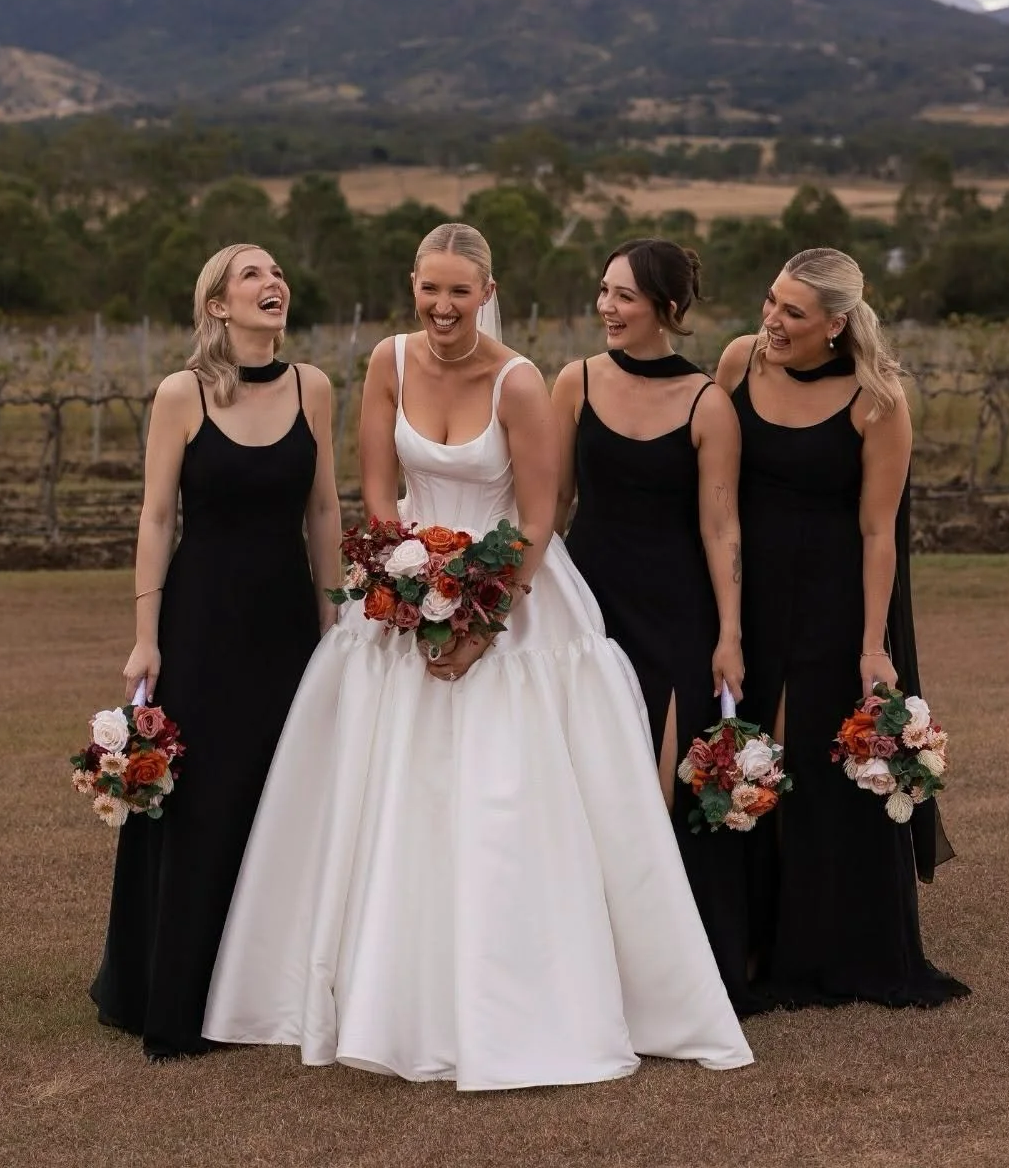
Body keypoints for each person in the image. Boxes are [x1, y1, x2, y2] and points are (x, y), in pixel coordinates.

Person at [203, 223, 753, 1089]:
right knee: (387, 795)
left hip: (514, 598)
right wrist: (402, 583)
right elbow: (377, 490)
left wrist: (480, 621)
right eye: (431, 289)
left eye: (461, 291)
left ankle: (525, 995)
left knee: (506, 802)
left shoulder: (522, 381)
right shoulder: (386, 361)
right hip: (403, 597)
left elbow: (538, 517)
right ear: (412, 284)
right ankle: (376, 987)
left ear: (486, 290)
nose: (443, 307)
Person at [90, 242, 341, 1059]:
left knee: (281, 791)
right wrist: (144, 637)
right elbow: (157, 518)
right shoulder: (182, 394)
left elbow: (326, 515)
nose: (273, 282)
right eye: (251, 275)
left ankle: (265, 996)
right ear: (218, 306)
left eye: (276, 270)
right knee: (199, 797)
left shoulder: (315, 388)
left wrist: (335, 626)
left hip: (286, 626)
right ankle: (177, 994)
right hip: (201, 621)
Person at [715, 246, 969, 1009]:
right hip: (749, 594)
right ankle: (751, 939)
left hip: (834, 601)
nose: (772, 320)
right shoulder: (736, 364)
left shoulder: (876, 398)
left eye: (792, 312)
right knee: (749, 755)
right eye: (770, 301)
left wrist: (872, 646)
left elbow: (878, 532)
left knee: (822, 767)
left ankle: (829, 945)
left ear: (835, 323)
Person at [552, 239, 755, 1012]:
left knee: (663, 781)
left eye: (624, 297)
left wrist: (729, 632)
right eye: (603, 291)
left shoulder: (709, 404)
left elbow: (721, 528)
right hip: (588, 604)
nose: (606, 307)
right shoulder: (573, 382)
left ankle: (672, 974)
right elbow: (553, 504)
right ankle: (589, 967)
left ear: (668, 310)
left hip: (675, 611)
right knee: (587, 781)